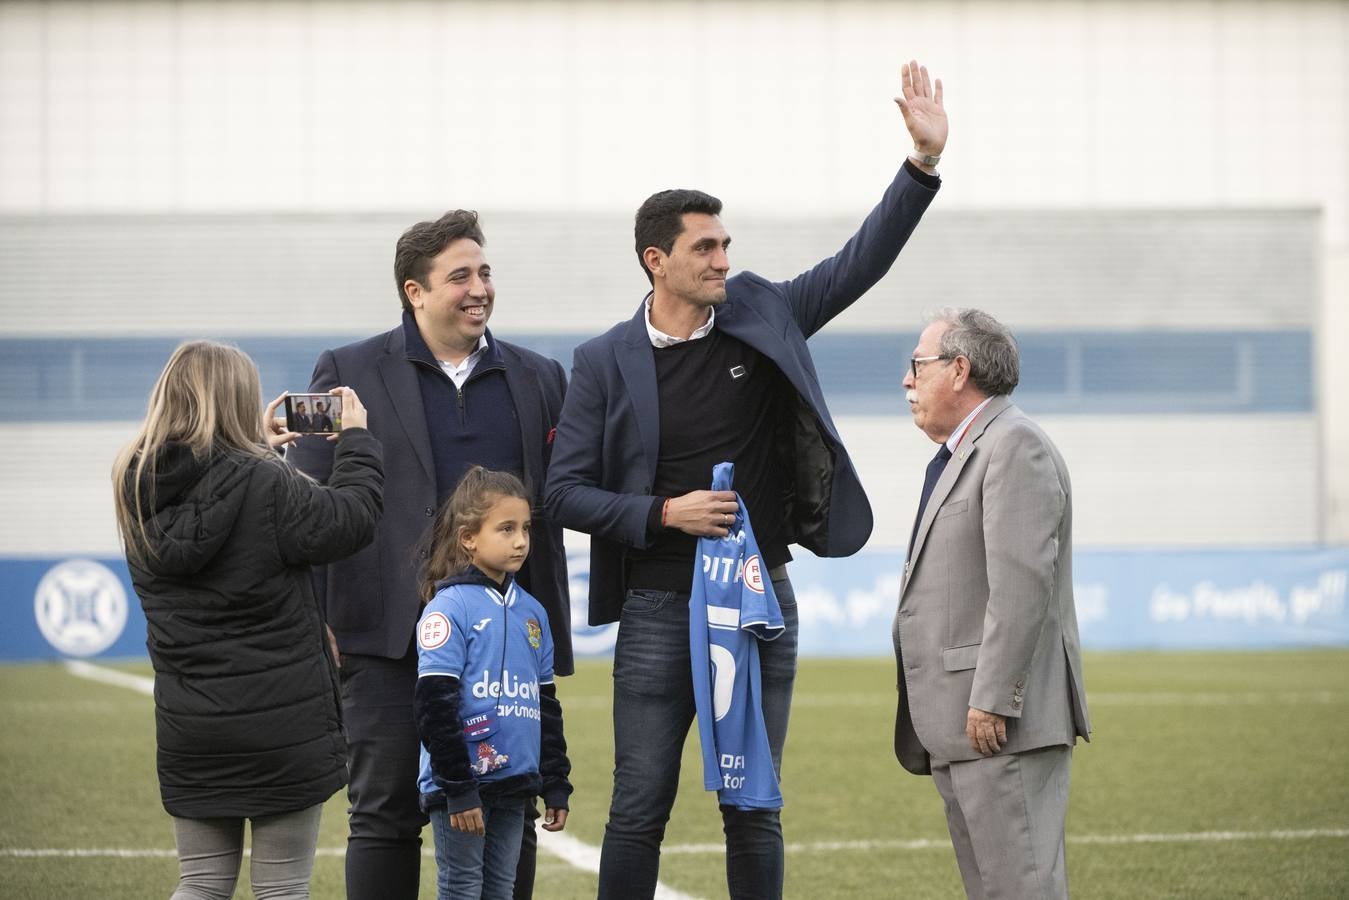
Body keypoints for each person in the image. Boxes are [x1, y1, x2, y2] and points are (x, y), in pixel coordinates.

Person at [544, 59, 948, 900]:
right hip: (658, 607)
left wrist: (920, 164)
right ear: (656, 260)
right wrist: (666, 513)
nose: (723, 259)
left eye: (725, 244)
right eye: (705, 247)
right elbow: (562, 492)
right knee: (637, 808)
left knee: (754, 807)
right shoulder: (602, 362)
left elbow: (856, 264)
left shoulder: (762, 310)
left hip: (763, 597)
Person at [286, 210, 571, 900]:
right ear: (415, 292)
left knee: (506, 806)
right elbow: (312, 506)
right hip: (385, 634)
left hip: (503, 641)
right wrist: (314, 618)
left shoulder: (540, 377)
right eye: (460, 276)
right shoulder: (346, 370)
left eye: (485, 273)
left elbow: (564, 498)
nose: (480, 289)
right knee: (385, 815)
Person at [111, 340, 383, 900]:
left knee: (200, 883)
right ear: (237, 401)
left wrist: (253, 449)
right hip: (282, 725)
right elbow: (352, 519)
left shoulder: (134, 483)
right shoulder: (265, 483)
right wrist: (356, 440)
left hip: (192, 726)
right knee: (282, 889)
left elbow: (215, 501)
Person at [892, 308, 1092, 899]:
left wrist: (994, 699)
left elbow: (1021, 586)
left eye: (918, 365)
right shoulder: (970, 451)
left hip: (998, 726)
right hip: (962, 727)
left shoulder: (1013, 444)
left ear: (959, 370)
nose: (907, 380)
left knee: (1021, 889)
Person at [414, 467, 572, 900]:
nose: (520, 541)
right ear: (468, 538)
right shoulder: (448, 608)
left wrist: (555, 781)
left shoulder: (534, 612)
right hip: (462, 786)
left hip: (515, 783)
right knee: (462, 887)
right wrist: (458, 788)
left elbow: (546, 705)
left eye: (526, 528)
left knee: (502, 889)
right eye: (506, 529)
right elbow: (434, 706)